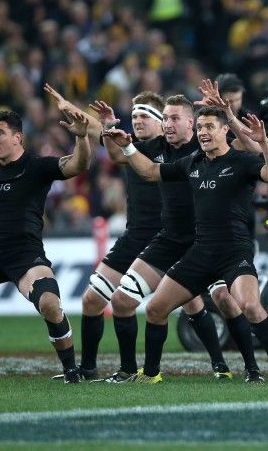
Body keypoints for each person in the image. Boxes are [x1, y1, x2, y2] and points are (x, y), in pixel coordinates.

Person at [104, 105, 268, 384]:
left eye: (209, 127)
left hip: (234, 250)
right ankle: (151, 374)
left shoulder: (241, 161)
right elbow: (152, 171)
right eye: (201, 128)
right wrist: (130, 149)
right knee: (156, 309)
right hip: (201, 251)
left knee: (250, 306)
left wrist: (263, 143)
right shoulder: (192, 163)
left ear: (224, 131)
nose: (203, 133)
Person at [98, 94, 239, 382]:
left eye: (174, 118)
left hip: (205, 240)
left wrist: (227, 112)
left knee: (221, 299)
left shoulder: (205, 144)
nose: (168, 124)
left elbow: (239, 147)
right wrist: (107, 128)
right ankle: (129, 370)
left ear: (191, 122)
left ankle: (230, 365)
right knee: (123, 301)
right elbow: (119, 154)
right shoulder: (154, 148)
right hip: (170, 238)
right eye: (165, 118)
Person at [0, 108, 90, 383]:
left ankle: (71, 370)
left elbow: (78, 165)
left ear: (18, 138)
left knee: (51, 305)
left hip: (25, 257)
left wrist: (82, 138)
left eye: (0, 132)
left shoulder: (37, 166)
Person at [72, 91, 165, 380]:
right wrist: (109, 125)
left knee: (201, 301)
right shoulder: (130, 146)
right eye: (134, 115)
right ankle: (88, 369)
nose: (137, 120)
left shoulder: (174, 147)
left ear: (162, 121)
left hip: (169, 239)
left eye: (144, 116)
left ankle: (222, 366)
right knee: (91, 300)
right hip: (134, 235)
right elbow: (114, 153)